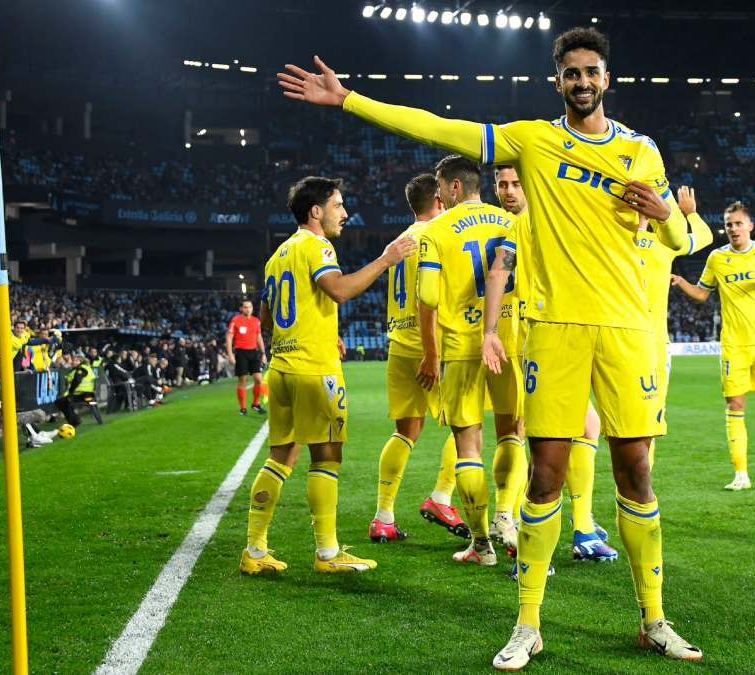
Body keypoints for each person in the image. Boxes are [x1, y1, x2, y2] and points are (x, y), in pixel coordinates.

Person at [279, 26, 702, 666]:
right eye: (572, 73)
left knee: (636, 470)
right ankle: (528, 623)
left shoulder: (642, 151)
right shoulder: (531, 140)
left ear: (606, 79)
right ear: (557, 80)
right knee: (546, 476)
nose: (582, 82)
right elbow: (442, 129)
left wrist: (666, 213)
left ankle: (654, 618)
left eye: (592, 72)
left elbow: (675, 240)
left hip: (626, 332)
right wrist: (352, 101)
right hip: (556, 331)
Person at [239, 176, 415, 576]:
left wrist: (319, 329)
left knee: (281, 457)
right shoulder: (318, 246)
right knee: (328, 456)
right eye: (338, 205)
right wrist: (386, 259)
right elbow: (338, 290)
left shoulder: (278, 254)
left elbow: (268, 317)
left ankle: (255, 548)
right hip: (314, 370)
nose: (345, 213)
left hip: (281, 369)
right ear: (316, 211)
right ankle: (328, 553)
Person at [482, 164, 617, 569]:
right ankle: (543, 532)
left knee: (572, 429)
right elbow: (498, 272)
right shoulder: (536, 222)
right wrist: (490, 331)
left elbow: (498, 271)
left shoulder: (521, 226)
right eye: (502, 184)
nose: (508, 191)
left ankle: (576, 527)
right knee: (541, 437)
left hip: (545, 336)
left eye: (516, 183)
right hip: (542, 339)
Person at [417, 155, 525, 568]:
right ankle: (506, 516)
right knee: (512, 432)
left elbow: (428, 296)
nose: (439, 194)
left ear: (454, 187)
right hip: (509, 340)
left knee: (469, 446)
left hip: (463, 345)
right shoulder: (511, 223)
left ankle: (481, 546)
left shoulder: (436, 230)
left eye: (441, 187)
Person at [671, 201, 755, 488]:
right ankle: (741, 474)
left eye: (738, 223)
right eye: (729, 224)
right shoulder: (717, 258)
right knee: (734, 407)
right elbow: (703, 294)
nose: (733, 228)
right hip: (733, 346)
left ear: (750, 226)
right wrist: (681, 282)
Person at [370, 173, 468, 544]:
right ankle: (442, 497)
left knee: (405, 432)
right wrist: (434, 352)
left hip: (399, 345)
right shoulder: (439, 236)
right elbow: (435, 297)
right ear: (439, 201)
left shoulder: (398, 241)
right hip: (433, 347)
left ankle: (383, 516)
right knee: (465, 426)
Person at [636, 186, 714, 471]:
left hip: (617, 339)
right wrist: (690, 214)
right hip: (653, 346)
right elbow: (704, 237)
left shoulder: (610, 241)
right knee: (648, 426)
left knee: (604, 430)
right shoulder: (664, 245)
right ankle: (640, 496)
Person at [227, 299, 267, 416]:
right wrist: (230, 354)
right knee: (243, 380)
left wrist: (263, 353)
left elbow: (259, 337)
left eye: (250, 307)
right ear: (241, 309)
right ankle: (243, 408)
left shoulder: (256, 321)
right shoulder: (236, 320)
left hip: (253, 352)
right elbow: (229, 337)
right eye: (245, 307)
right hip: (241, 353)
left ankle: (255, 404)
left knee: (259, 379)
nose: (248, 309)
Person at [56, 352, 103, 427]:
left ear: (80, 361)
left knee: (62, 402)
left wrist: (70, 393)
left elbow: (77, 381)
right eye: (73, 360)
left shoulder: (82, 369)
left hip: (84, 394)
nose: (73, 362)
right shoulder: (79, 369)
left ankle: (75, 421)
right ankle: (75, 421)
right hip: (82, 394)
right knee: (61, 401)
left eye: (76, 360)